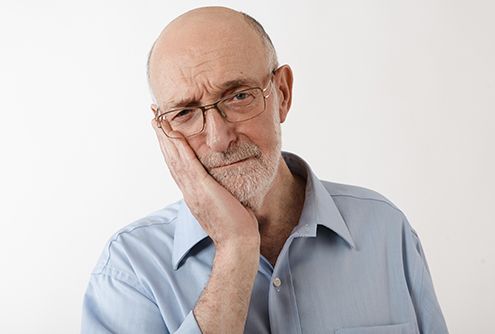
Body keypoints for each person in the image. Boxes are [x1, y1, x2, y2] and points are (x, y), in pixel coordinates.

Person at [81, 6, 448, 334]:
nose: (219, 138)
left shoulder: (385, 229)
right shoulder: (128, 270)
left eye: (239, 96)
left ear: (283, 94)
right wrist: (235, 250)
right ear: (164, 130)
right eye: (184, 113)